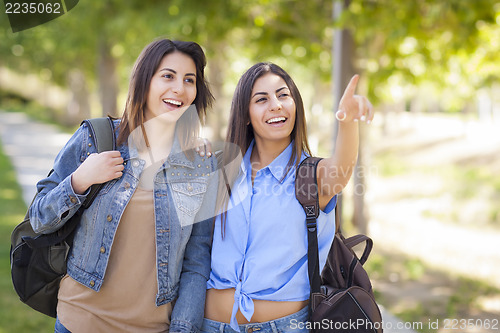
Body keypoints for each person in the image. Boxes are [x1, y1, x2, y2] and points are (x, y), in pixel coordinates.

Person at [29, 38, 218, 333]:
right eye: (167, 76)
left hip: (153, 327)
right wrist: (80, 180)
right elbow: (39, 218)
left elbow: (197, 261)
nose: (179, 89)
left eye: (189, 80)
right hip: (80, 321)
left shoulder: (200, 165)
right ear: (144, 80)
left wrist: (183, 328)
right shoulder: (95, 138)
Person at [203, 62, 374, 332]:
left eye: (283, 95)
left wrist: (347, 122)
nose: (276, 104)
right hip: (210, 326)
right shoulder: (223, 171)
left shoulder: (313, 176)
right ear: (245, 115)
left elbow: (340, 172)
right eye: (261, 99)